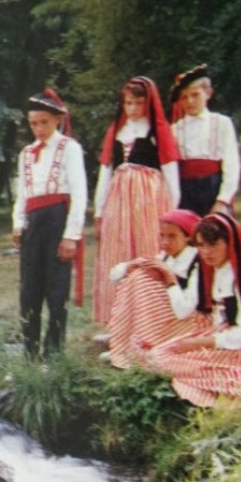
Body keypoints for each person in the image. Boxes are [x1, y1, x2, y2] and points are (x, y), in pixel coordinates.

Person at [142, 212, 241, 407]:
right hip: (221, 334)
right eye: (201, 246)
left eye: (213, 245)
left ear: (230, 243)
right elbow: (192, 311)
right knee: (159, 354)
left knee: (173, 361)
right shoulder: (210, 270)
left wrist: (201, 342)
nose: (206, 252)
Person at [91, 76, 180, 325]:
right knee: (118, 252)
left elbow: (171, 174)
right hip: (119, 201)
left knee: (147, 250)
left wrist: (173, 215)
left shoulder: (158, 132)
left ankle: (151, 321)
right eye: (128, 103)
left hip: (149, 200)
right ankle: (119, 322)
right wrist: (99, 211)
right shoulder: (117, 131)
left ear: (148, 103)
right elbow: (105, 171)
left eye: (138, 103)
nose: (132, 109)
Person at [11, 88, 88, 357]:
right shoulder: (26, 153)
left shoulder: (70, 148)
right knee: (29, 288)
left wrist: (71, 235)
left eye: (44, 122)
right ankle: (29, 351)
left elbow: (79, 193)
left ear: (57, 119)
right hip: (34, 221)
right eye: (34, 123)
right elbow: (22, 193)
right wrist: (18, 223)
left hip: (57, 218)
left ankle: (53, 352)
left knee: (56, 288)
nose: (39, 129)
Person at [107, 208, 210, 369]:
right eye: (162, 236)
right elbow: (114, 277)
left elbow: (184, 311)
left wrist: (169, 279)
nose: (165, 242)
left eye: (172, 236)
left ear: (188, 237)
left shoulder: (197, 263)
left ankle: (146, 345)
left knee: (143, 279)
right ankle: (127, 344)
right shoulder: (166, 257)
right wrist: (130, 266)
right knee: (137, 275)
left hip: (193, 322)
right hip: (170, 320)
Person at [170, 64, 241, 217]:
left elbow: (232, 164)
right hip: (186, 193)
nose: (189, 101)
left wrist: (222, 200)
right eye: (184, 97)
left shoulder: (221, 123)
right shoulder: (175, 130)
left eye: (195, 95)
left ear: (208, 93)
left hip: (213, 188)